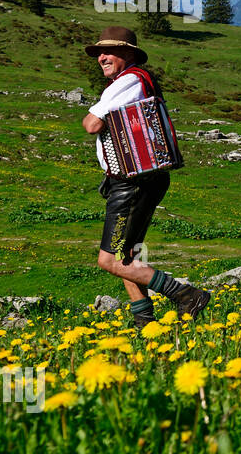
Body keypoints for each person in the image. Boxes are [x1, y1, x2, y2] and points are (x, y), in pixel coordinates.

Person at [80, 26, 211, 329]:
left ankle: (186, 295)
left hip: (131, 184)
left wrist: (92, 116)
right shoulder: (133, 80)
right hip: (138, 180)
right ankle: (144, 323)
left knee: (108, 260)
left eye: (108, 51)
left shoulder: (129, 81)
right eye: (99, 52)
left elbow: (92, 124)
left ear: (127, 53)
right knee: (126, 256)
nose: (101, 57)